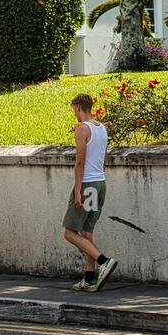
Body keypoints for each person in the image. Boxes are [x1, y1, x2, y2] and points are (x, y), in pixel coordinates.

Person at [62, 93, 116, 291]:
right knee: (87, 231)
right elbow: (102, 159)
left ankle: (104, 261)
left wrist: (78, 192)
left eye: (73, 109)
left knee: (69, 233)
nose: (74, 114)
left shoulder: (82, 129)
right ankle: (90, 277)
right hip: (99, 183)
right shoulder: (101, 128)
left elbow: (80, 163)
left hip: (86, 185)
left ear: (78, 107)